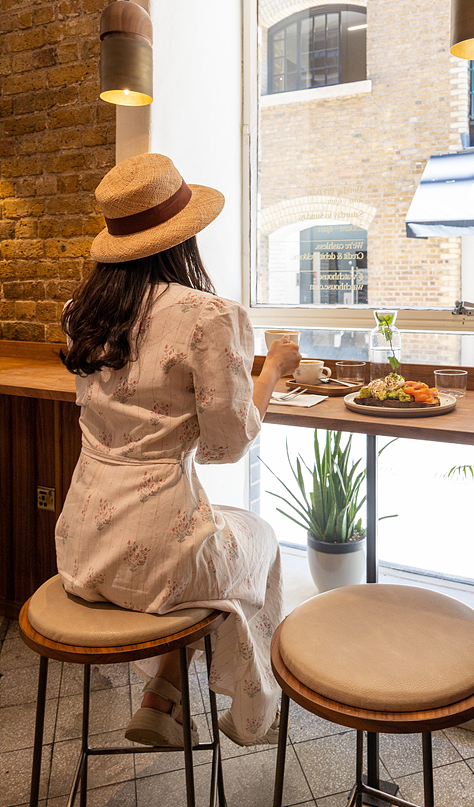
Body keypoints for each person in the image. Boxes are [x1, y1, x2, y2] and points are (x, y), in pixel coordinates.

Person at [56, 152, 301, 748]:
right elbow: (228, 443)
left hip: (81, 547)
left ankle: (163, 693)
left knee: (209, 545)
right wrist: (271, 375)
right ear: (183, 239)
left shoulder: (81, 315)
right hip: (161, 554)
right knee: (257, 538)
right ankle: (255, 711)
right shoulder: (209, 316)